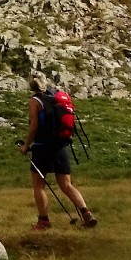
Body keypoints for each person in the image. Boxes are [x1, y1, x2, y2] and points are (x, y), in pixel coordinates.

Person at [20, 76, 97, 230]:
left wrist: (26, 146)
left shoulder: (35, 101)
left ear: (31, 86)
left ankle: (43, 221)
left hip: (42, 147)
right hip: (60, 146)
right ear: (45, 83)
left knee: (38, 185)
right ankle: (86, 212)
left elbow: (34, 126)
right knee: (66, 185)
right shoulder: (58, 98)